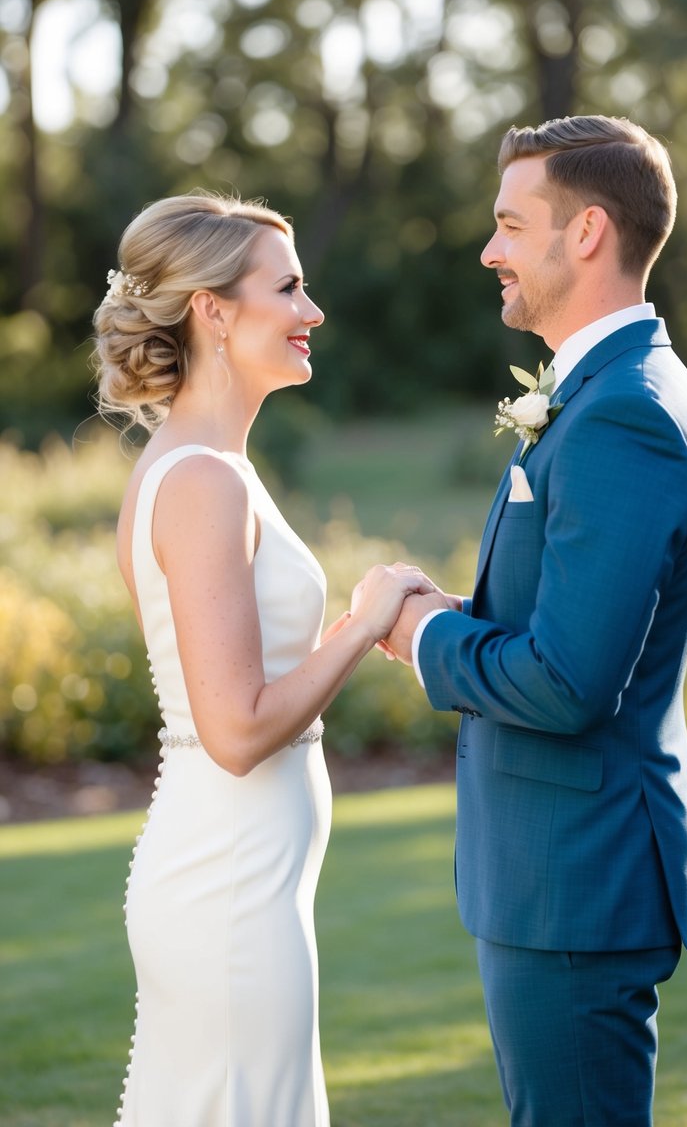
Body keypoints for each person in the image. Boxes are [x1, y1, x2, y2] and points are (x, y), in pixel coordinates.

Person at [382, 116, 687, 1126]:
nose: (488, 249)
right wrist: (463, 612)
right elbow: (567, 622)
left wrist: (422, 640)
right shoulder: (606, 391)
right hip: (562, 870)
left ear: (584, 232)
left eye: (507, 224)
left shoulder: (625, 412)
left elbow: (572, 682)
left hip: (578, 878)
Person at [92, 192, 433, 1127]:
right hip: (227, 890)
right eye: (287, 287)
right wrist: (363, 627)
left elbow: (247, 687)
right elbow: (236, 731)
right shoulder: (201, 479)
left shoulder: (208, 465)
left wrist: (367, 623)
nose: (311, 311)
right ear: (213, 310)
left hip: (244, 882)